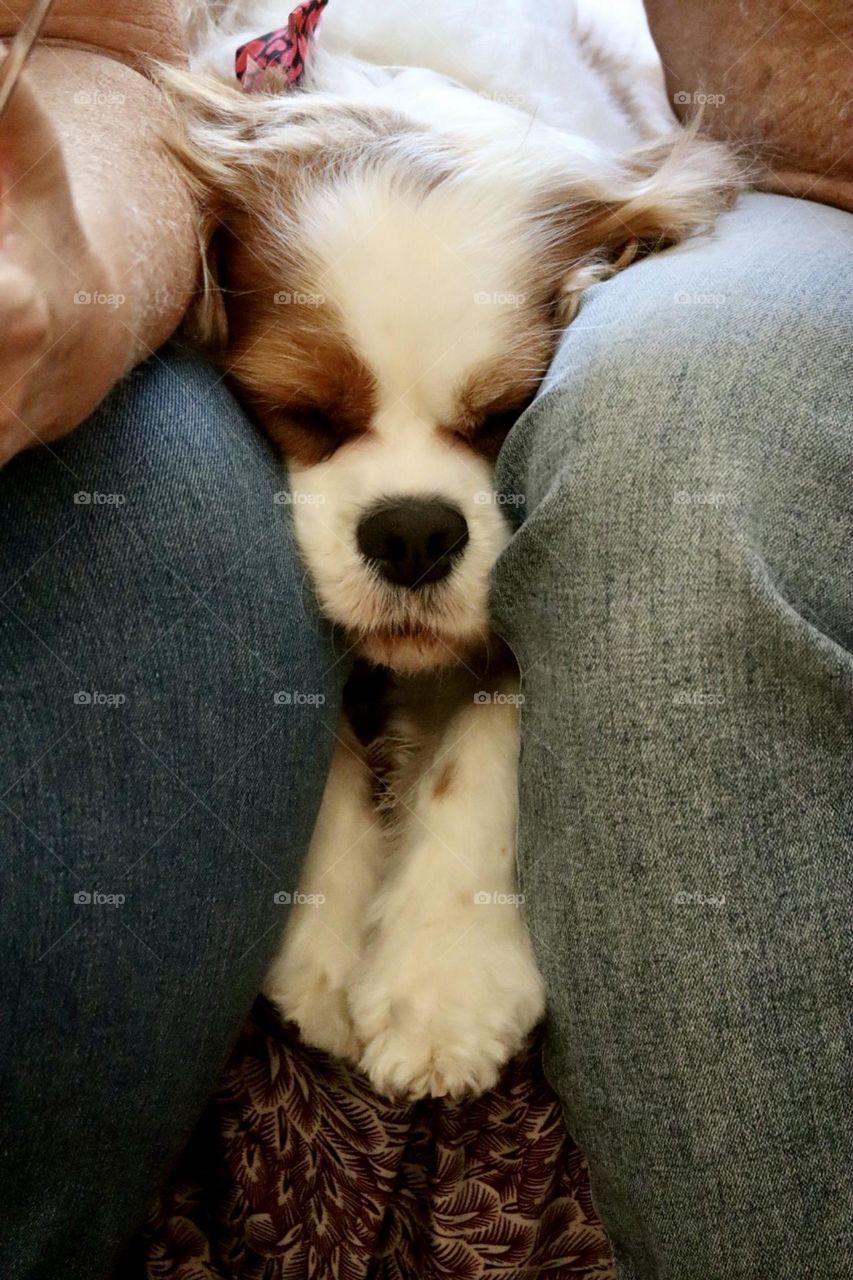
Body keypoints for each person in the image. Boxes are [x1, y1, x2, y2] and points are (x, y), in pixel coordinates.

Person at [1, 2, 849, 1278]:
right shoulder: (217, 228)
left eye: (493, 415)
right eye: (314, 417)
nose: (409, 501)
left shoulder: (624, 224)